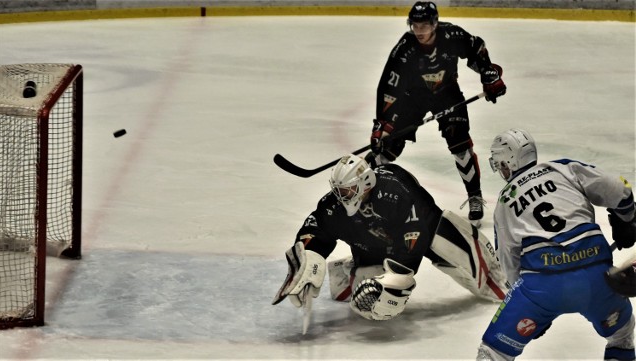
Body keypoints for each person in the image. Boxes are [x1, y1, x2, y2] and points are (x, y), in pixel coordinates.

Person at [272, 154, 508, 322]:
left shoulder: (397, 189)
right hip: (375, 246)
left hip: (424, 234)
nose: (341, 197)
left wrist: (399, 280)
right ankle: (348, 274)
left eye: (346, 191)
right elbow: (316, 226)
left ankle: (496, 277)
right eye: (338, 191)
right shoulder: (335, 205)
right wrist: (307, 252)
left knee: (458, 251)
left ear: (365, 183)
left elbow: (418, 237)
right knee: (369, 299)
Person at [476, 128, 635, 360]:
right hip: (596, 276)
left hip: (542, 286)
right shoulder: (561, 168)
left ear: (507, 161)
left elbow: (509, 261)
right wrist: (627, 220)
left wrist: (528, 306)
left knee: (492, 351)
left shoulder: (505, 199)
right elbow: (619, 190)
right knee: (622, 334)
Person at [368, 1, 507, 227]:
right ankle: (359, 187)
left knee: (460, 144)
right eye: (415, 25)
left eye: (424, 25)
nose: (419, 31)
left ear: (434, 24)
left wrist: (489, 75)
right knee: (388, 146)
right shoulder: (404, 48)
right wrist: (383, 123)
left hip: (447, 94)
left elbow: (476, 49)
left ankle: (474, 197)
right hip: (412, 99)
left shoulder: (451, 35)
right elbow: (389, 87)